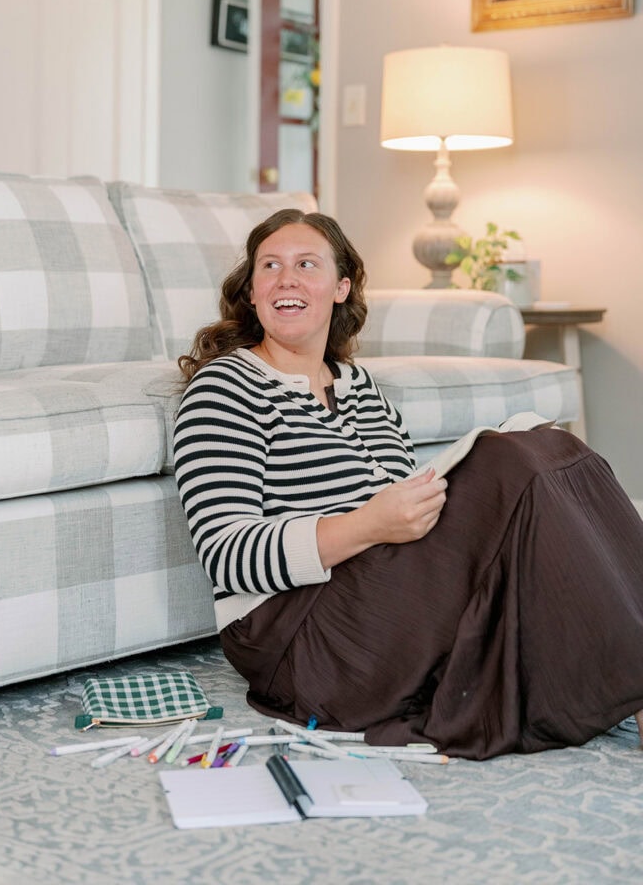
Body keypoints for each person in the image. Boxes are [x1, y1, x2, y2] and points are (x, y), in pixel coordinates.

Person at [173, 208, 643, 760]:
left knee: (556, 449)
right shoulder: (224, 387)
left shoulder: (361, 387)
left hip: (380, 601)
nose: (286, 279)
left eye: (306, 264)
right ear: (252, 292)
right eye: (270, 266)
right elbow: (226, 554)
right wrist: (368, 524)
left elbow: (411, 523)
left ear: (341, 287)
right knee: (506, 463)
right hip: (300, 640)